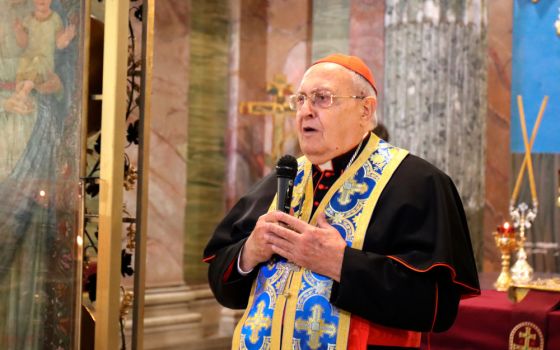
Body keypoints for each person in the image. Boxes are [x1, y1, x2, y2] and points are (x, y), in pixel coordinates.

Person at [203, 53, 480, 350]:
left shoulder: (418, 183)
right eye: (300, 100)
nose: (305, 111)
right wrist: (249, 253)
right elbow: (222, 282)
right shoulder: (282, 180)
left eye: (322, 98)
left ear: (365, 109)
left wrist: (341, 263)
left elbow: (437, 307)